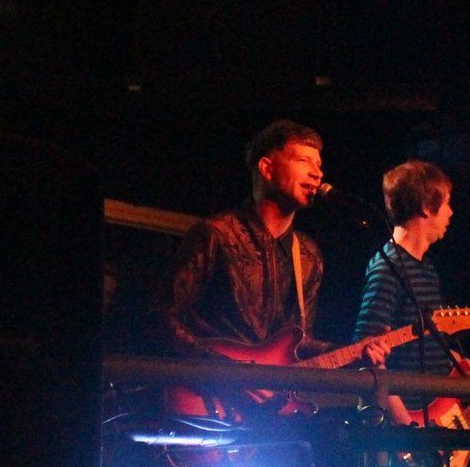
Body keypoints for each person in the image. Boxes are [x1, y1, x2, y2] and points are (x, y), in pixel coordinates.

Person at [164, 119, 388, 365]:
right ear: (267, 169)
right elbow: (165, 316)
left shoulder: (308, 255)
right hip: (211, 392)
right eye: (303, 161)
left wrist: (355, 352)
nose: (317, 173)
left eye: (319, 164)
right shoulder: (217, 235)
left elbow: (298, 344)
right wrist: (222, 368)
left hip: (270, 399)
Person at [354, 160, 470, 424]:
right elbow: (367, 359)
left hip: (430, 420)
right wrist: (407, 428)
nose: (451, 212)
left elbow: (441, 359)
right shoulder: (387, 268)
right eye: (447, 203)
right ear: (427, 208)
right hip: (404, 430)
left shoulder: (426, 269)